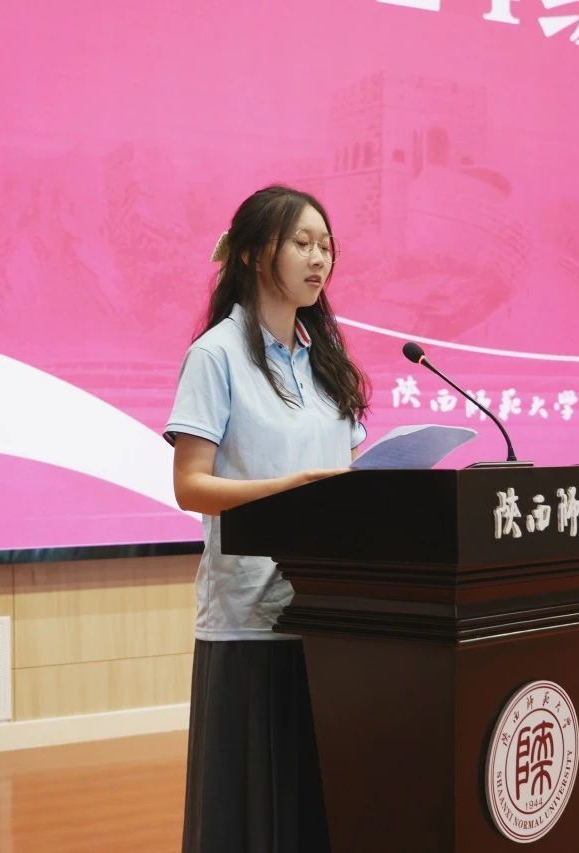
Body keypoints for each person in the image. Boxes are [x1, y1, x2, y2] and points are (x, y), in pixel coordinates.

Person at [163, 185, 369, 853]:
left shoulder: (327, 360)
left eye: (326, 245)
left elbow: (350, 476)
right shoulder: (216, 354)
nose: (319, 259)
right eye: (302, 243)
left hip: (331, 612)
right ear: (255, 254)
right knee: (253, 819)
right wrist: (288, 490)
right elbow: (190, 485)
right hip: (251, 618)